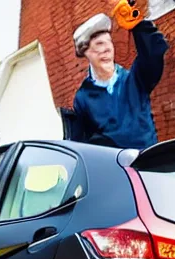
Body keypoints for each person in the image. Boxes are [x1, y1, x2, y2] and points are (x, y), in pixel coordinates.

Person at [71, 1, 169, 150]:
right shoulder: (83, 98)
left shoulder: (135, 80)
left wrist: (137, 25)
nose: (107, 49)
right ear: (86, 52)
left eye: (109, 43)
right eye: (99, 44)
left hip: (147, 164)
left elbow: (154, 52)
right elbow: (83, 146)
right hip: (114, 168)